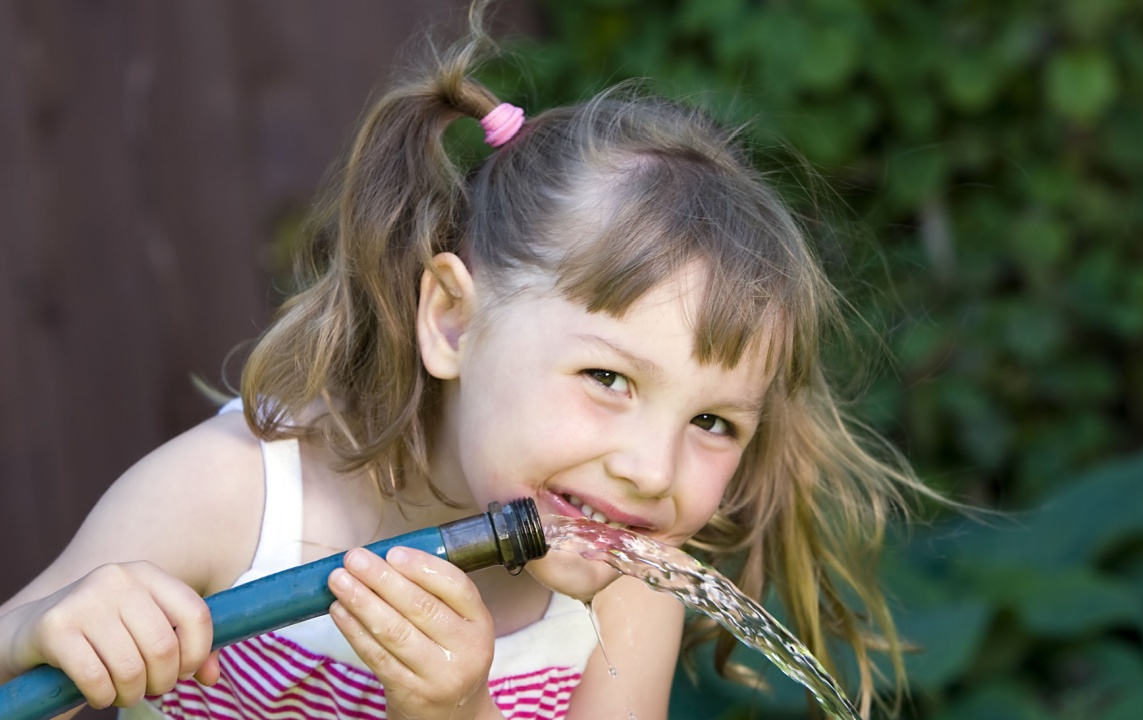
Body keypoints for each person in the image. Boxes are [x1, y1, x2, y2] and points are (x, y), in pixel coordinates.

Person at [0, 7, 938, 720]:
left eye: (712, 423)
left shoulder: (628, 592)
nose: (651, 473)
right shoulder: (239, 498)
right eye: (608, 380)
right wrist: (43, 628)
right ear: (451, 319)